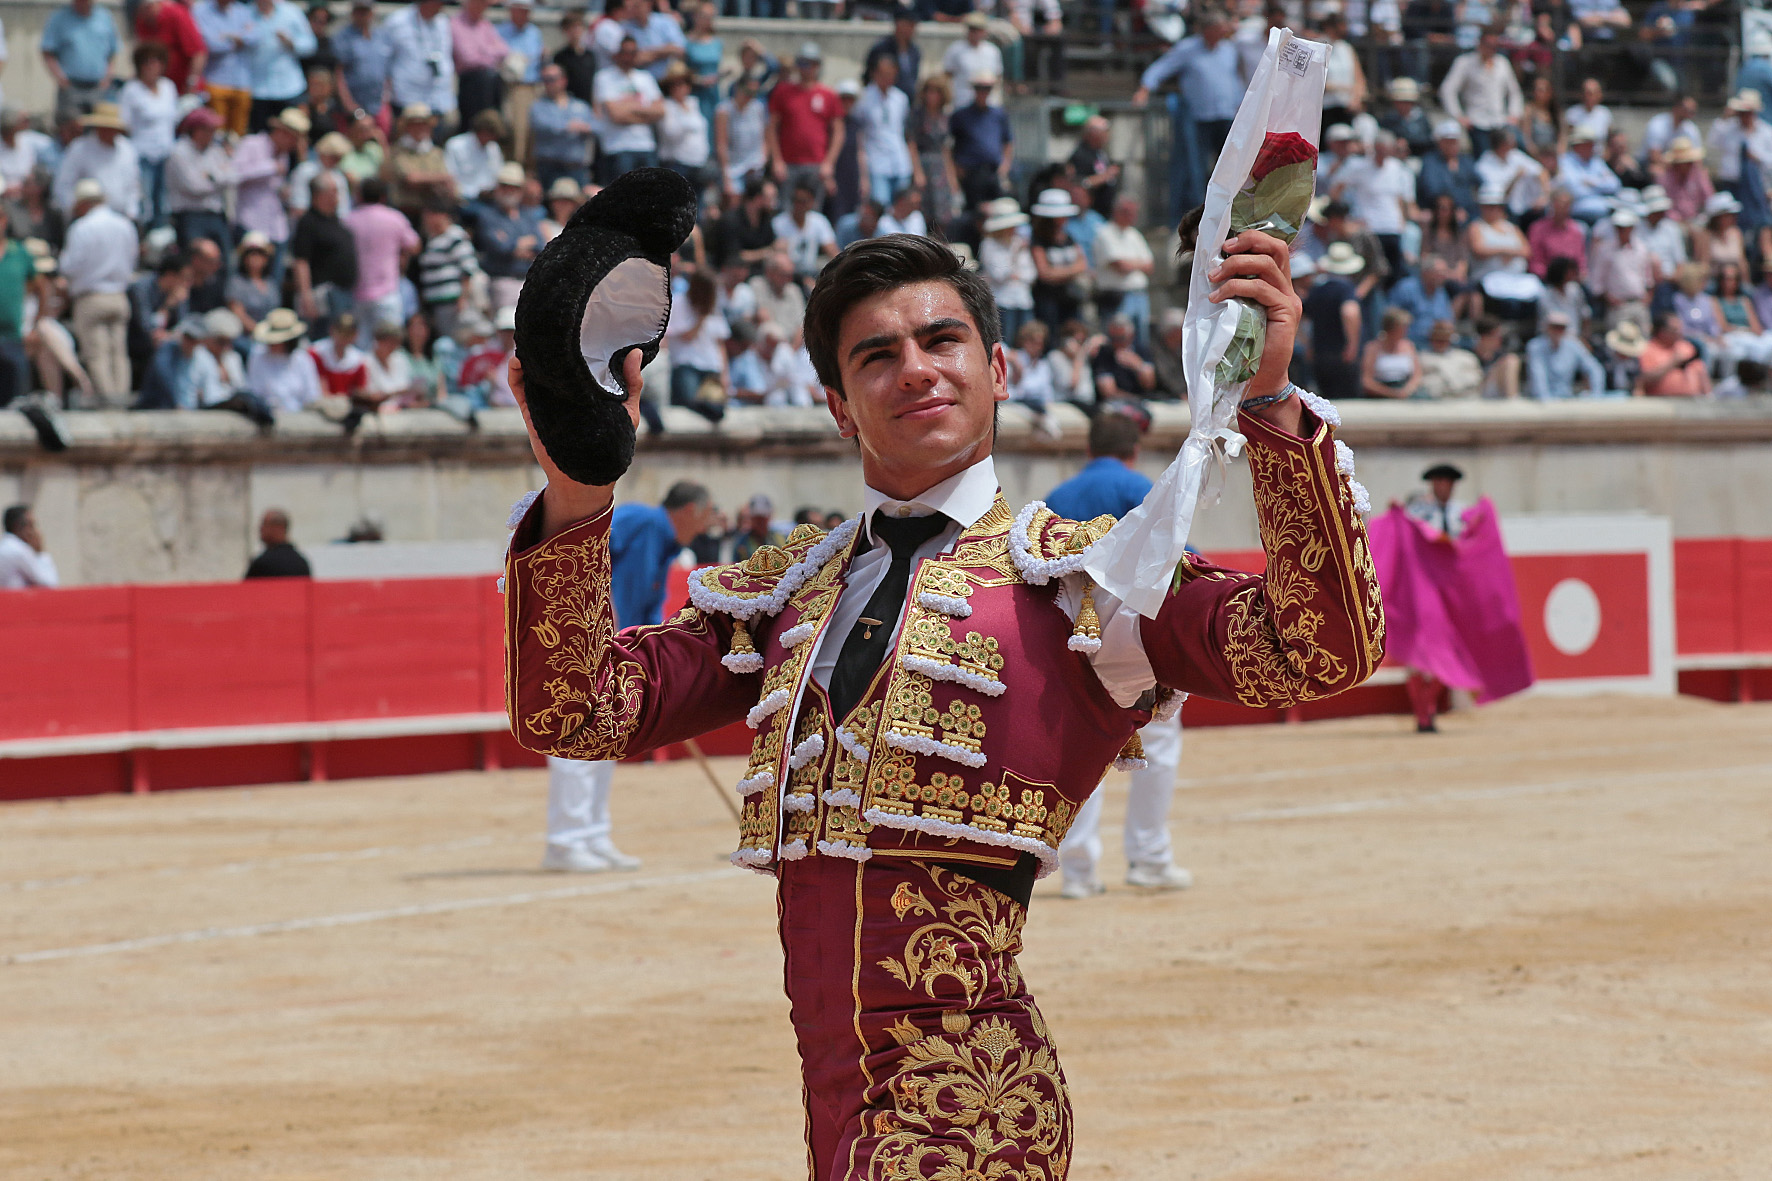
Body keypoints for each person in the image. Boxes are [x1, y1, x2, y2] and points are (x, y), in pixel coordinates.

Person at [502, 223, 1379, 1176]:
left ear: (997, 369)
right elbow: (576, 710)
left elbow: (1315, 647)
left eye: (942, 340)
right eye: (877, 355)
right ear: (839, 407)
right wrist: (577, 487)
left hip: (976, 1118)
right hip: (838, 1117)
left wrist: (1269, 401)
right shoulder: (789, 591)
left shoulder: (1085, 580)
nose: (916, 369)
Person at [1042, 412, 1192, 898]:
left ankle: (1078, 871)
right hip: (1137, 641)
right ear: (1134, 451)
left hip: (1072, 640)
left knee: (1082, 748)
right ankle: (1149, 857)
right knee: (1160, 742)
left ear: (1090, 449)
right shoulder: (1138, 488)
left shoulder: (1058, 497)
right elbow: (1181, 558)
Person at [542, 480, 716, 874]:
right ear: (690, 510)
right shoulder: (648, 525)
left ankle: (591, 835)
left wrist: (650, 656)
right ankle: (565, 842)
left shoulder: (660, 536)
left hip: (607, 644)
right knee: (577, 732)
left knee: (604, 731)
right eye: (706, 514)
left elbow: (647, 609)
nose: (707, 524)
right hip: (585, 640)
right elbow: (614, 586)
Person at [1131, 6, 1244, 212]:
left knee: (1229, 167)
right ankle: (1198, 210)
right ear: (1207, 29)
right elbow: (1162, 67)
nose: (1222, 32)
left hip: (1227, 115)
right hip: (1200, 117)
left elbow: (1233, 80)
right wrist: (1144, 88)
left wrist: (1241, 104)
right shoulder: (1188, 48)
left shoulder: (1229, 49)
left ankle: (1228, 209)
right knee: (1196, 167)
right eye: (1218, 28)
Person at [60, 178, 136, 405]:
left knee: (97, 355)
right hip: (119, 296)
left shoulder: (82, 228)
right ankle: (121, 399)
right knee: (119, 355)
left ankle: (110, 405)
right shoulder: (125, 225)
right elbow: (132, 260)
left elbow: (70, 266)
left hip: (91, 298)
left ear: (83, 203)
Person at [766, 43, 842, 206]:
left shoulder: (828, 95)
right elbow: (771, 128)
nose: (806, 68)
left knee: (813, 211)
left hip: (817, 164)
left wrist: (829, 162)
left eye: (810, 64)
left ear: (817, 66)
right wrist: (777, 160)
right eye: (803, 63)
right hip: (788, 164)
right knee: (786, 208)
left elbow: (838, 132)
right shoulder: (783, 92)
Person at [348, 177, 420, 335]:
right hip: (387, 292)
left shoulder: (348, 220)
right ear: (383, 197)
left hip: (356, 292)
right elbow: (415, 246)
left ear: (360, 196)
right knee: (390, 342)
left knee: (361, 346)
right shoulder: (395, 218)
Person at [120, 44, 180, 228]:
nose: (153, 67)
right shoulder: (131, 90)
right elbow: (124, 123)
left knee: (164, 200)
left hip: (166, 153)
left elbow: (173, 119)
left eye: (157, 62)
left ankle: (162, 233)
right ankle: (144, 232)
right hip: (142, 154)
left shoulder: (168, 87)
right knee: (144, 199)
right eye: (148, 63)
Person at [593, 36, 664, 185]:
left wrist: (628, 108)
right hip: (618, 147)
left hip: (646, 145)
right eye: (625, 52)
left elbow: (660, 111)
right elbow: (616, 115)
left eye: (633, 53)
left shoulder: (645, 78)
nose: (628, 57)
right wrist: (645, 111)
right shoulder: (604, 77)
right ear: (618, 54)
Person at [52, 102, 141, 221]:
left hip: (121, 218)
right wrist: (73, 209)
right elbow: (63, 185)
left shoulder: (127, 150)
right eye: (103, 127)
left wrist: (132, 214)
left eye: (110, 128)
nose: (107, 131)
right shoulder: (79, 148)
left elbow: (133, 187)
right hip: (86, 219)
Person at [473, 162, 542, 311]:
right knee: (506, 321)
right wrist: (522, 244)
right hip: (502, 281)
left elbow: (540, 246)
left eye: (514, 187)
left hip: (528, 282)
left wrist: (514, 245)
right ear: (497, 188)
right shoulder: (488, 216)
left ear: (521, 190)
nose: (509, 191)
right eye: (505, 186)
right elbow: (500, 248)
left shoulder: (528, 216)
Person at [41, 0, 120, 123]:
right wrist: (61, 79)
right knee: (70, 127)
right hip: (71, 87)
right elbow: (48, 51)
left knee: (97, 128)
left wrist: (107, 77)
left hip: (98, 87)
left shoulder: (105, 17)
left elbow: (112, 52)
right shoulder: (60, 18)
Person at [247, 0, 316, 134]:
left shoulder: (291, 12)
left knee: (293, 135)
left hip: (289, 88)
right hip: (257, 89)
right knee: (260, 137)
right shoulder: (245, 13)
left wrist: (291, 43)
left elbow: (310, 45)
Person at [1304, 242, 1363, 399]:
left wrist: (1307, 344)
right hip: (1341, 352)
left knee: (1326, 400)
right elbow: (1350, 312)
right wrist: (1352, 344)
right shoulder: (1346, 288)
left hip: (1320, 353)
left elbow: (1301, 317)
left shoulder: (1317, 290)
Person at [382, 0, 457, 125]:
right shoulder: (397, 21)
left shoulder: (443, 22)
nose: (441, 7)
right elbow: (385, 59)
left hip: (437, 97)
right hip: (406, 97)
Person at [855, 54, 912, 207]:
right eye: (883, 74)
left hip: (900, 163)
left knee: (903, 208)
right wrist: (863, 173)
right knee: (881, 207)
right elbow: (859, 135)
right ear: (874, 73)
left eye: (891, 74)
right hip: (877, 164)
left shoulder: (901, 99)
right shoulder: (864, 98)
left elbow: (904, 131)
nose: (887, 78)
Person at [528, 63, 596, 192]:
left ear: (563, 80)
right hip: (549, 166)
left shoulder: (580, 106)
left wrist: (587, 128)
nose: (548, 83)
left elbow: (596, 127)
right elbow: (541, 125)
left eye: (551, 79)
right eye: (545, 80)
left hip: (576, 167)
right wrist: (568, 126)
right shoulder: (538, 106)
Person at [248, 306, 321, 412]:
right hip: (267, 415)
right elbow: (254, 392)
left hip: (299, 416)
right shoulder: (257, 357)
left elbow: (312, 395)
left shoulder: (302, 359)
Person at [450, 0, 509, 128]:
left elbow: (504, 50)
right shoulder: (455, 24)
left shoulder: (485, 24)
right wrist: (489, 52)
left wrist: (483, 51)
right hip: (469, 83)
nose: (481, 7)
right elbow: (467, 58)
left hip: (490, 82)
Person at [333, 0, 391, 128]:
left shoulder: (382, 36)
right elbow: (338, 73)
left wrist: (386, 99)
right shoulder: (343, 37)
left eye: (365, 11)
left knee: (381, 135)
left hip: (378, 104)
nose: (362, 15)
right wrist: (349, 105)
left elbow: (387, 71)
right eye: (359, 11)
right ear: (352, 13)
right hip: (353, 105)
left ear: (372, 13)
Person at [1526, 310, 1606, 398]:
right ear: (1547, 328)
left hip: (1566, 397)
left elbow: (1595, 369)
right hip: (1539, 400)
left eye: (1562, 327)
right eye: (1555, 327)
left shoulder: (1574, 345)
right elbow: (1538, 377)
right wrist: (1546, 401)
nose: (1558, 331)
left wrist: (1596, 395)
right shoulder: (1535, 346)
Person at [135, 0, 209, 96]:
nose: (145, 13)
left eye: (148, 8)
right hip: (162, 87)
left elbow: (198, 53)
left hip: (184, 86)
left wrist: (191, 82)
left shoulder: (176, 14)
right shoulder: (142, 20)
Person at [657, 63, 710, 187]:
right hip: (677, 163)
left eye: (683, 83)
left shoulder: (693, 103)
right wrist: (686, 121)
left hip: (698, 163)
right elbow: (670, 132)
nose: (679, 88)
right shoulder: (666, 106)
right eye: (674, 84)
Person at [1635, 310, 1709, 396]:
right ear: (1661, 331)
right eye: (1674, 330)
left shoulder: (1686, 347)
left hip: (1693, 399)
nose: (1679, 333)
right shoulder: (1647, 349)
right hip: (1660, 400)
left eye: (1680, 329)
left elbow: (1700, 369)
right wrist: (1673, 362)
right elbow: (1643, 380)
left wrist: (1708, 395)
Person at [444, 109, 505, 202]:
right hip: (464, 198)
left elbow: (498, 175)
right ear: (483, 131)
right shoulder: (455, 145)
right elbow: (450, 177)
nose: (494, 138)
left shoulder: (494, 148)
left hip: (489, 198)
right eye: (492, 134)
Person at [1361, 306, 1422, 398]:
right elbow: (1366, 380)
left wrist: (1406, 391)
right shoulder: (1373, 348)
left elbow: (1417, 375)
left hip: (1405, 391)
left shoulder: (1409, 346)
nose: (1406, 331)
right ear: (1391, 328)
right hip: (1380, 394)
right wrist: (1392, 393)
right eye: (1402, 327)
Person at [942, 11, 1004, 99]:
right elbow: (947, 75)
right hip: (963, 99)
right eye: (972, 29)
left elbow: (998, 77)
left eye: (978, 29)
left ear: (984, 31)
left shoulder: (993, 51)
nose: (975, 33)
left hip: (988, 101)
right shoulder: (956, 49)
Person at [865, 7, 922, 103]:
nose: (911, 29)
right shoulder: (881, 48)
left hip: (906, 100)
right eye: (908, 24)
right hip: (882, 99)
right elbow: (868, 77)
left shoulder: (914, 51)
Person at [0, 504, 58, 589]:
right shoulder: (18, 549)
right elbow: (50, 584)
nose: (35, 531)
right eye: (31, 525)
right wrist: (40, 553)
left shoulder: (5, 546)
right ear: (17, 526)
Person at [245, 508, 312, 578]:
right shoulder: (301, 563)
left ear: (278, 527)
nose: (260, 529)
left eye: (264, 524)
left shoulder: (263, 563)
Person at [727, 492, 781, 562]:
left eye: (763, 519)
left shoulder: (779, 539)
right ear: (751, 518)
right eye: (757, 519)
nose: (760, 522)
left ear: (769, 517)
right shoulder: (741, 543)